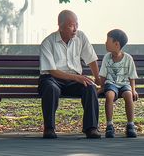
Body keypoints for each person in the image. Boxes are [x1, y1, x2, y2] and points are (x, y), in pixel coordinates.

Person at [38, 9, 101, 139]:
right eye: (71, 25)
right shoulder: (48, 42)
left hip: (74, 80)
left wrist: (97, 78)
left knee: (90, 87)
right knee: (51, 88)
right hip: (52, 78)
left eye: (76, 24)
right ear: (60, 26)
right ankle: (49, 128)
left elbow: (91, 59)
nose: (75, 29)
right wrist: (76, 77)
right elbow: (52, 71)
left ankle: (91, 128)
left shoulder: (81, 37)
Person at [99, 29, 139, 138]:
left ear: (116, 44)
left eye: (108, 41)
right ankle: (110, 125)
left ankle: (130, 124)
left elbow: (132, 76)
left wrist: (133, 89)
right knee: (109, 95)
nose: (105, 43)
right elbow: (102, 74)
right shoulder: (107, 58)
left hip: (124, 84)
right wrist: (102, 87)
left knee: (129, 95)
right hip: (111, 83)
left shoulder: (128, 58)